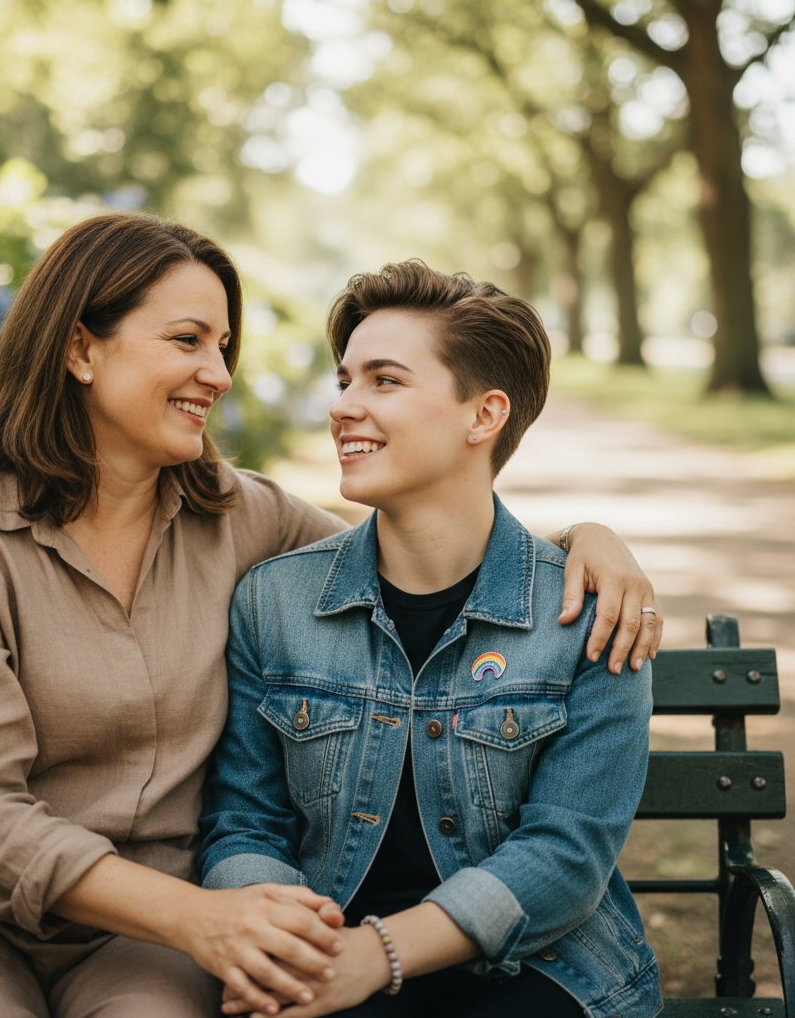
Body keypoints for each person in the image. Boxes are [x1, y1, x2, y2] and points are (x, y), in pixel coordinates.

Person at [0, 216, 659, 1018]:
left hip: (145, 937)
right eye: (187, 341)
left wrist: (585, 540)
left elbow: (434, 554)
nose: (218, 373)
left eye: (222, 346)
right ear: (80, 350)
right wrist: (202, 919)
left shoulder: (241, 519)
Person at [199, 261, 662, 1018]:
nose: (345, 406)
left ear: (483, 416)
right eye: (345, 380)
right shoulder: (275, 602)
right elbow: (244, 821)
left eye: (384, 381)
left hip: (541, 972)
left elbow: (565, 857)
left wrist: (376, 956)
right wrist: (280, 936)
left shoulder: (590, 611)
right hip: (324, 950)